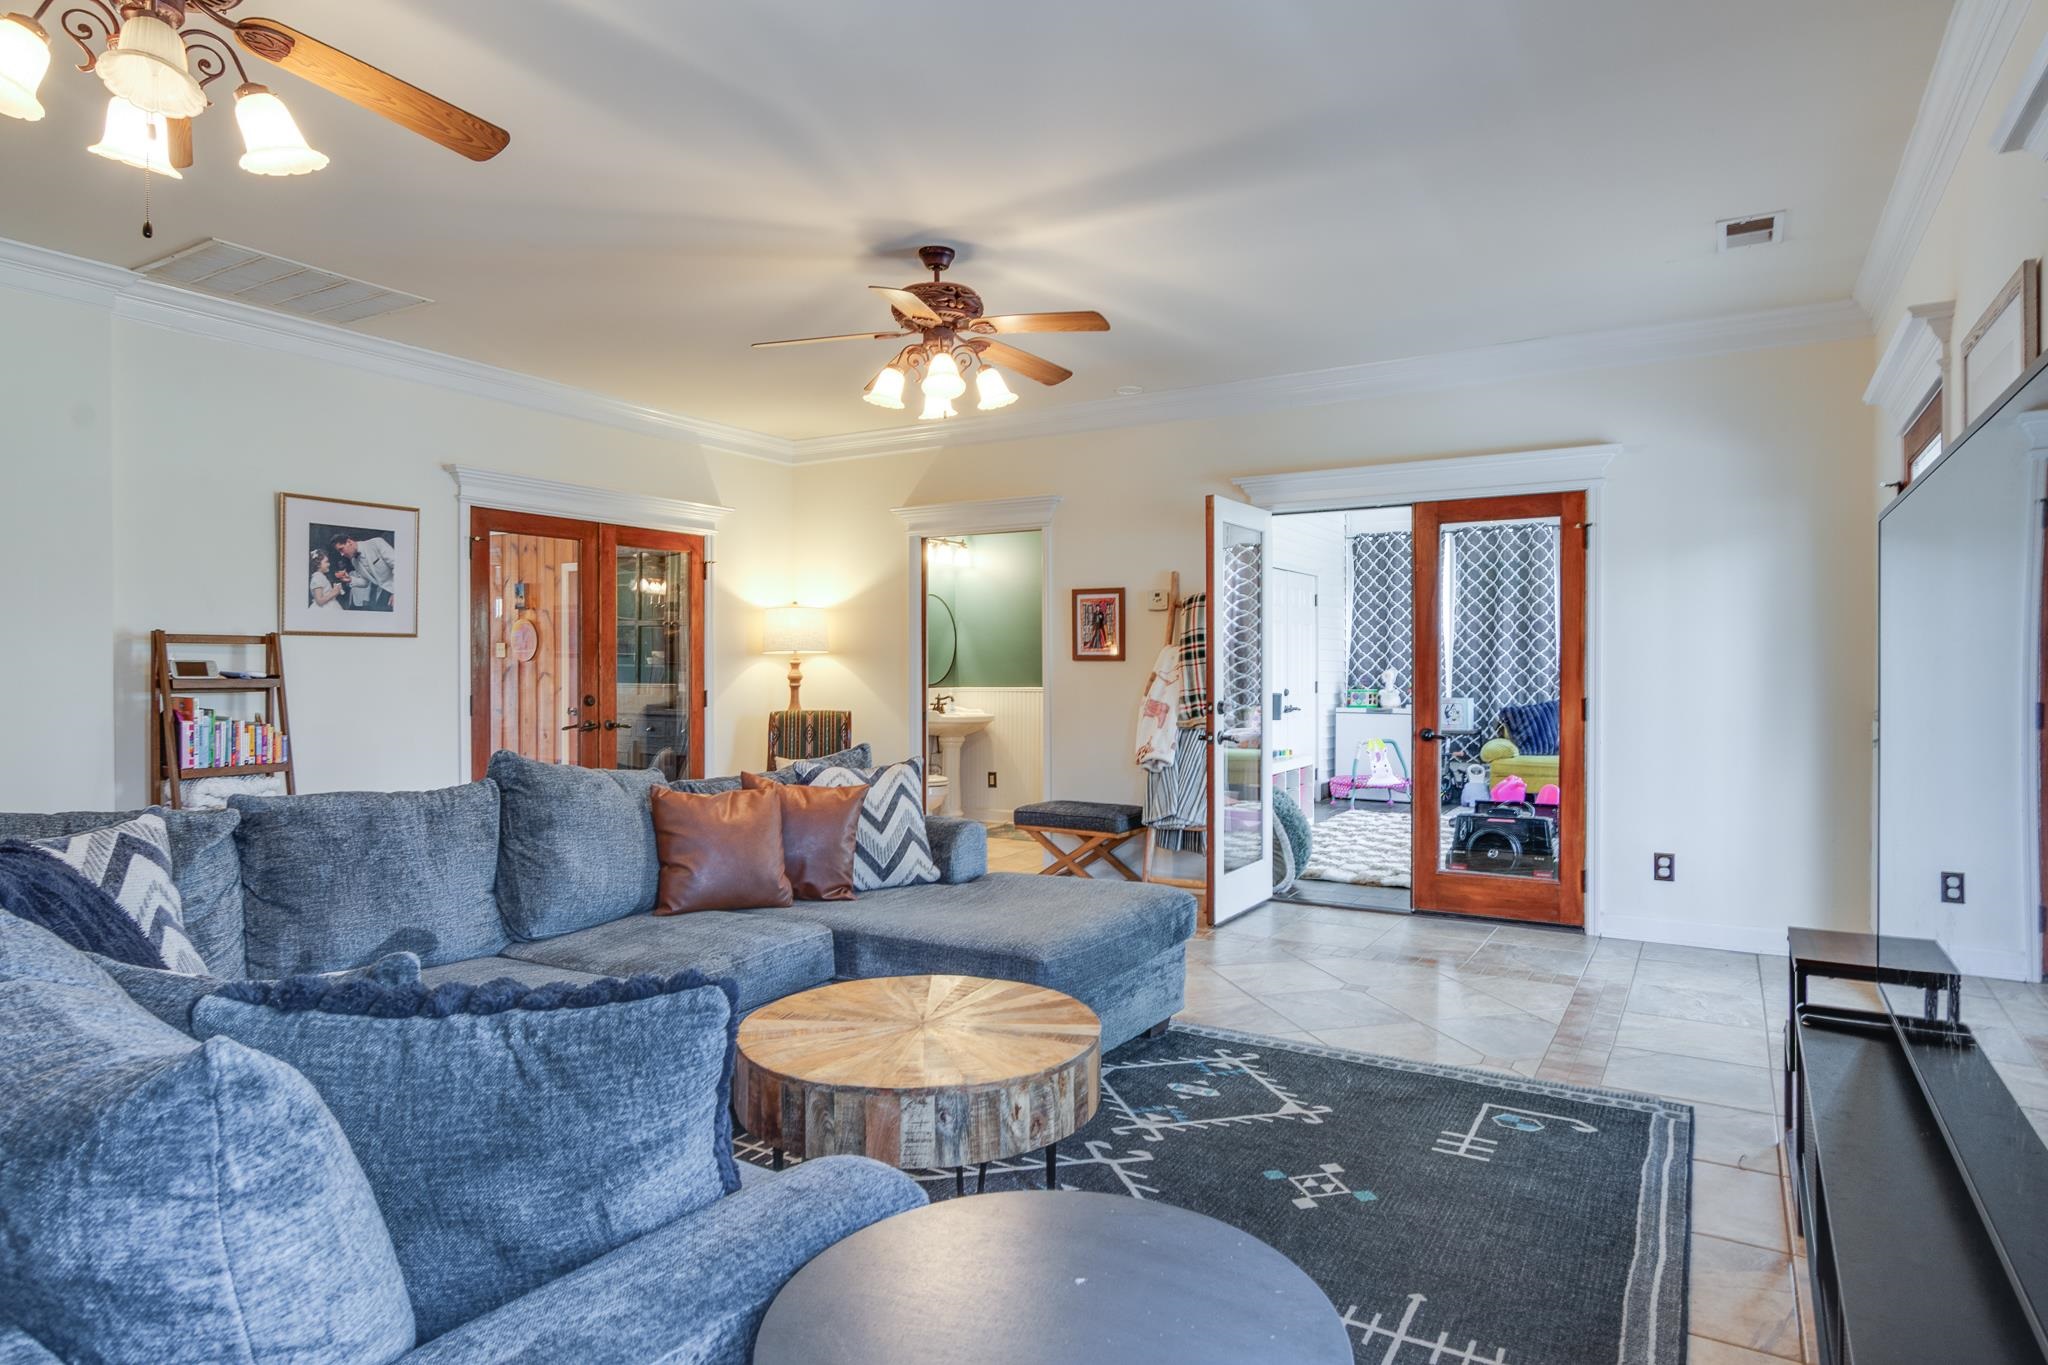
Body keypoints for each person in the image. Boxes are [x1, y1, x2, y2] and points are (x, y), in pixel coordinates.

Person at [330, 532, 398, 611]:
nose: (341, 554)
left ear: (349, 542)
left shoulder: (376, 543)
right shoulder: (354, 561)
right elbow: (365, 582)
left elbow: (398, 566)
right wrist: (350, 579)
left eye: (341, 549)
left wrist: (397, 592)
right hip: (380, 593)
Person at [308, 548, 346, 613]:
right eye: (326, 562)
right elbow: (319, 601)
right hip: (324, 608)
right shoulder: (317, 577)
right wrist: (334, 592)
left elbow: (325, 593)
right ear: (318, 565)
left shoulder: (321, 576)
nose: (329, 564)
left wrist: (335, 589)